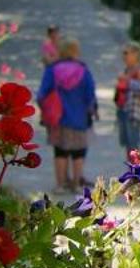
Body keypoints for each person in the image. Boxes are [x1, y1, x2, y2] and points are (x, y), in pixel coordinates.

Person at [37, 39, 98, 193]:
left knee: (60, 152)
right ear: (76, 51)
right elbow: (90, 95)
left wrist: (46, 110)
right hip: (79, 118)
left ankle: (60, 185)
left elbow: (41, 94)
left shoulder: (52, 69)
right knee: (78, 153)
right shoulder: (83, 70)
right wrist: (91, 110)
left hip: (57, 119)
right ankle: (76, 185)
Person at [113, 43, 140, 152]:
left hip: (134, 112)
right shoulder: (127, 69)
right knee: (127, 145)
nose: (123, 56)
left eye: (126, 53)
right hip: (123, 109)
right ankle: (132, 168)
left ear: (135, 54)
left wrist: (127, 80)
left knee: (134, 145)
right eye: (123, 53)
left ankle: (137, 168)